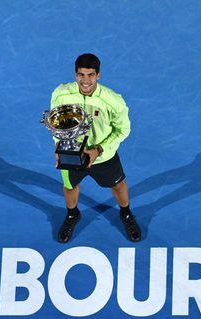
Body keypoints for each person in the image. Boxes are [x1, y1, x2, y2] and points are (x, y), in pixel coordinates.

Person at [51, 53, 141, 243]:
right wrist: (59, 144)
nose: (85, 81)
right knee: (70, 185)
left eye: (91, 75)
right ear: (75, 74)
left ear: (98, 75)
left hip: (103, 156)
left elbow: (123, 130)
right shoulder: (61, 94)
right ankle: (72, 214)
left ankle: (125, 213)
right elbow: (56, 123)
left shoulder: (113, 101)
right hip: (71, 152)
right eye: (81, 75)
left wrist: (99, 150)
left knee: (118, 185)